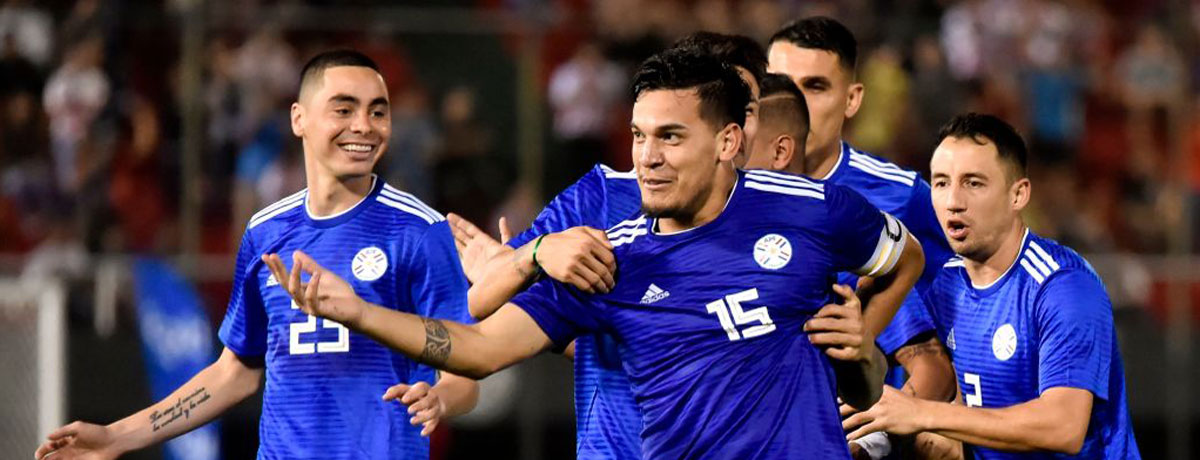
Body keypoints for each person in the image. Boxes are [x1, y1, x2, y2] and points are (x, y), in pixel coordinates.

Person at [266, 46, 924, 459]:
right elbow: (476, 347)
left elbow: (904, 258)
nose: (648, 158)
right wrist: (357, 312)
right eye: (639, 136)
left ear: (728, 142)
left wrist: (861, 329)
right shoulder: (609, 260)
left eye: (670, 136)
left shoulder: (813, 210)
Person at [34, 50, 478, 460]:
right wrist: (117, 437)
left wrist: (441, 397)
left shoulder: (420, 231)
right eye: (344, 109)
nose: (364, 125)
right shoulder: (266, 231)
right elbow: (236, 372)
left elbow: (466, 371)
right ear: (298, 119)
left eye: (378, 111)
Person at [452, 32, 774, 460]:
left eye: (747, 109)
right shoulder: (602, 197)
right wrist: (531, 256)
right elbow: (484, 301)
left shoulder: (787, 215)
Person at [843, 113, 1141, 459]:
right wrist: (876, 440)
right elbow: (940, 380)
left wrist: (921, 414)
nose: (954, 200)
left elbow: (1063, 427)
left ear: (1018, 195)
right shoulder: (944, 284)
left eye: (973, 183)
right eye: (941, 183)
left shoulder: (1063, 287)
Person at [768, 17, 960, 458]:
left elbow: (950, 332)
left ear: (851, 99)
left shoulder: (904, 198)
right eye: (781, 84)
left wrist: (883, 437)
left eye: (815, 87)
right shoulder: (723, 201)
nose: (795, 104)